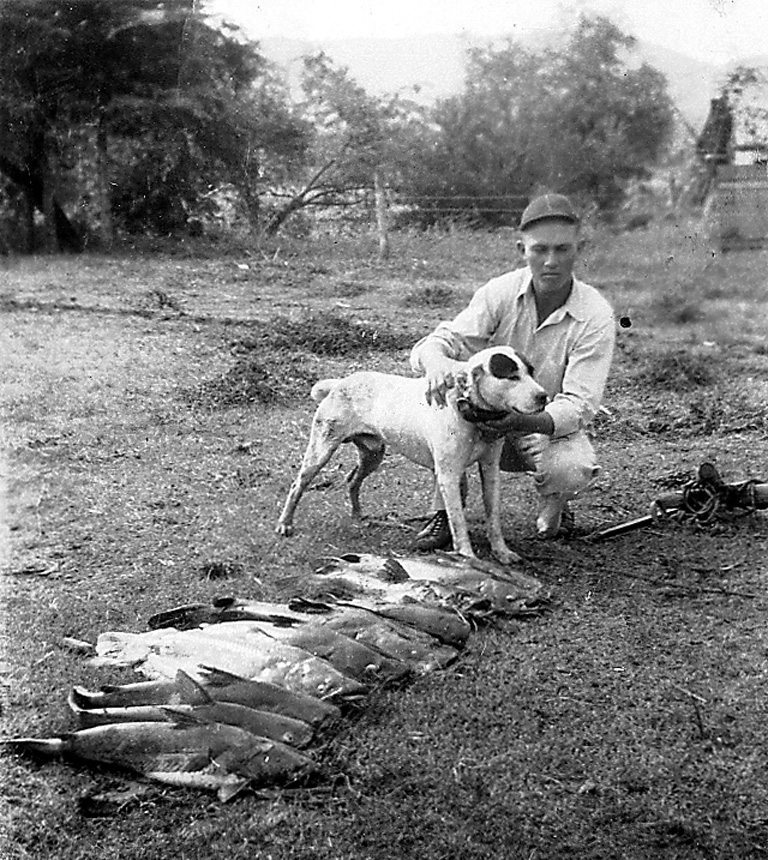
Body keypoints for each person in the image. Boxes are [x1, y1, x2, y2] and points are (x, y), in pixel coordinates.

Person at [410, 193, 615, 550]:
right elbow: (439, 341)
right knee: (446, 416)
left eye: (562, 249)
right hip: (481, 418)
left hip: (539, 422)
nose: (551, 261)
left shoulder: (595, 313)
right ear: (522, 249)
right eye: (539, 250)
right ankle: (443, 513)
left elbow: (580, 404)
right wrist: (438, 363)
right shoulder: (499, 292)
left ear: (579, 249)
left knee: (572, 469)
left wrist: (520, 422)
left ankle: (557, 504)